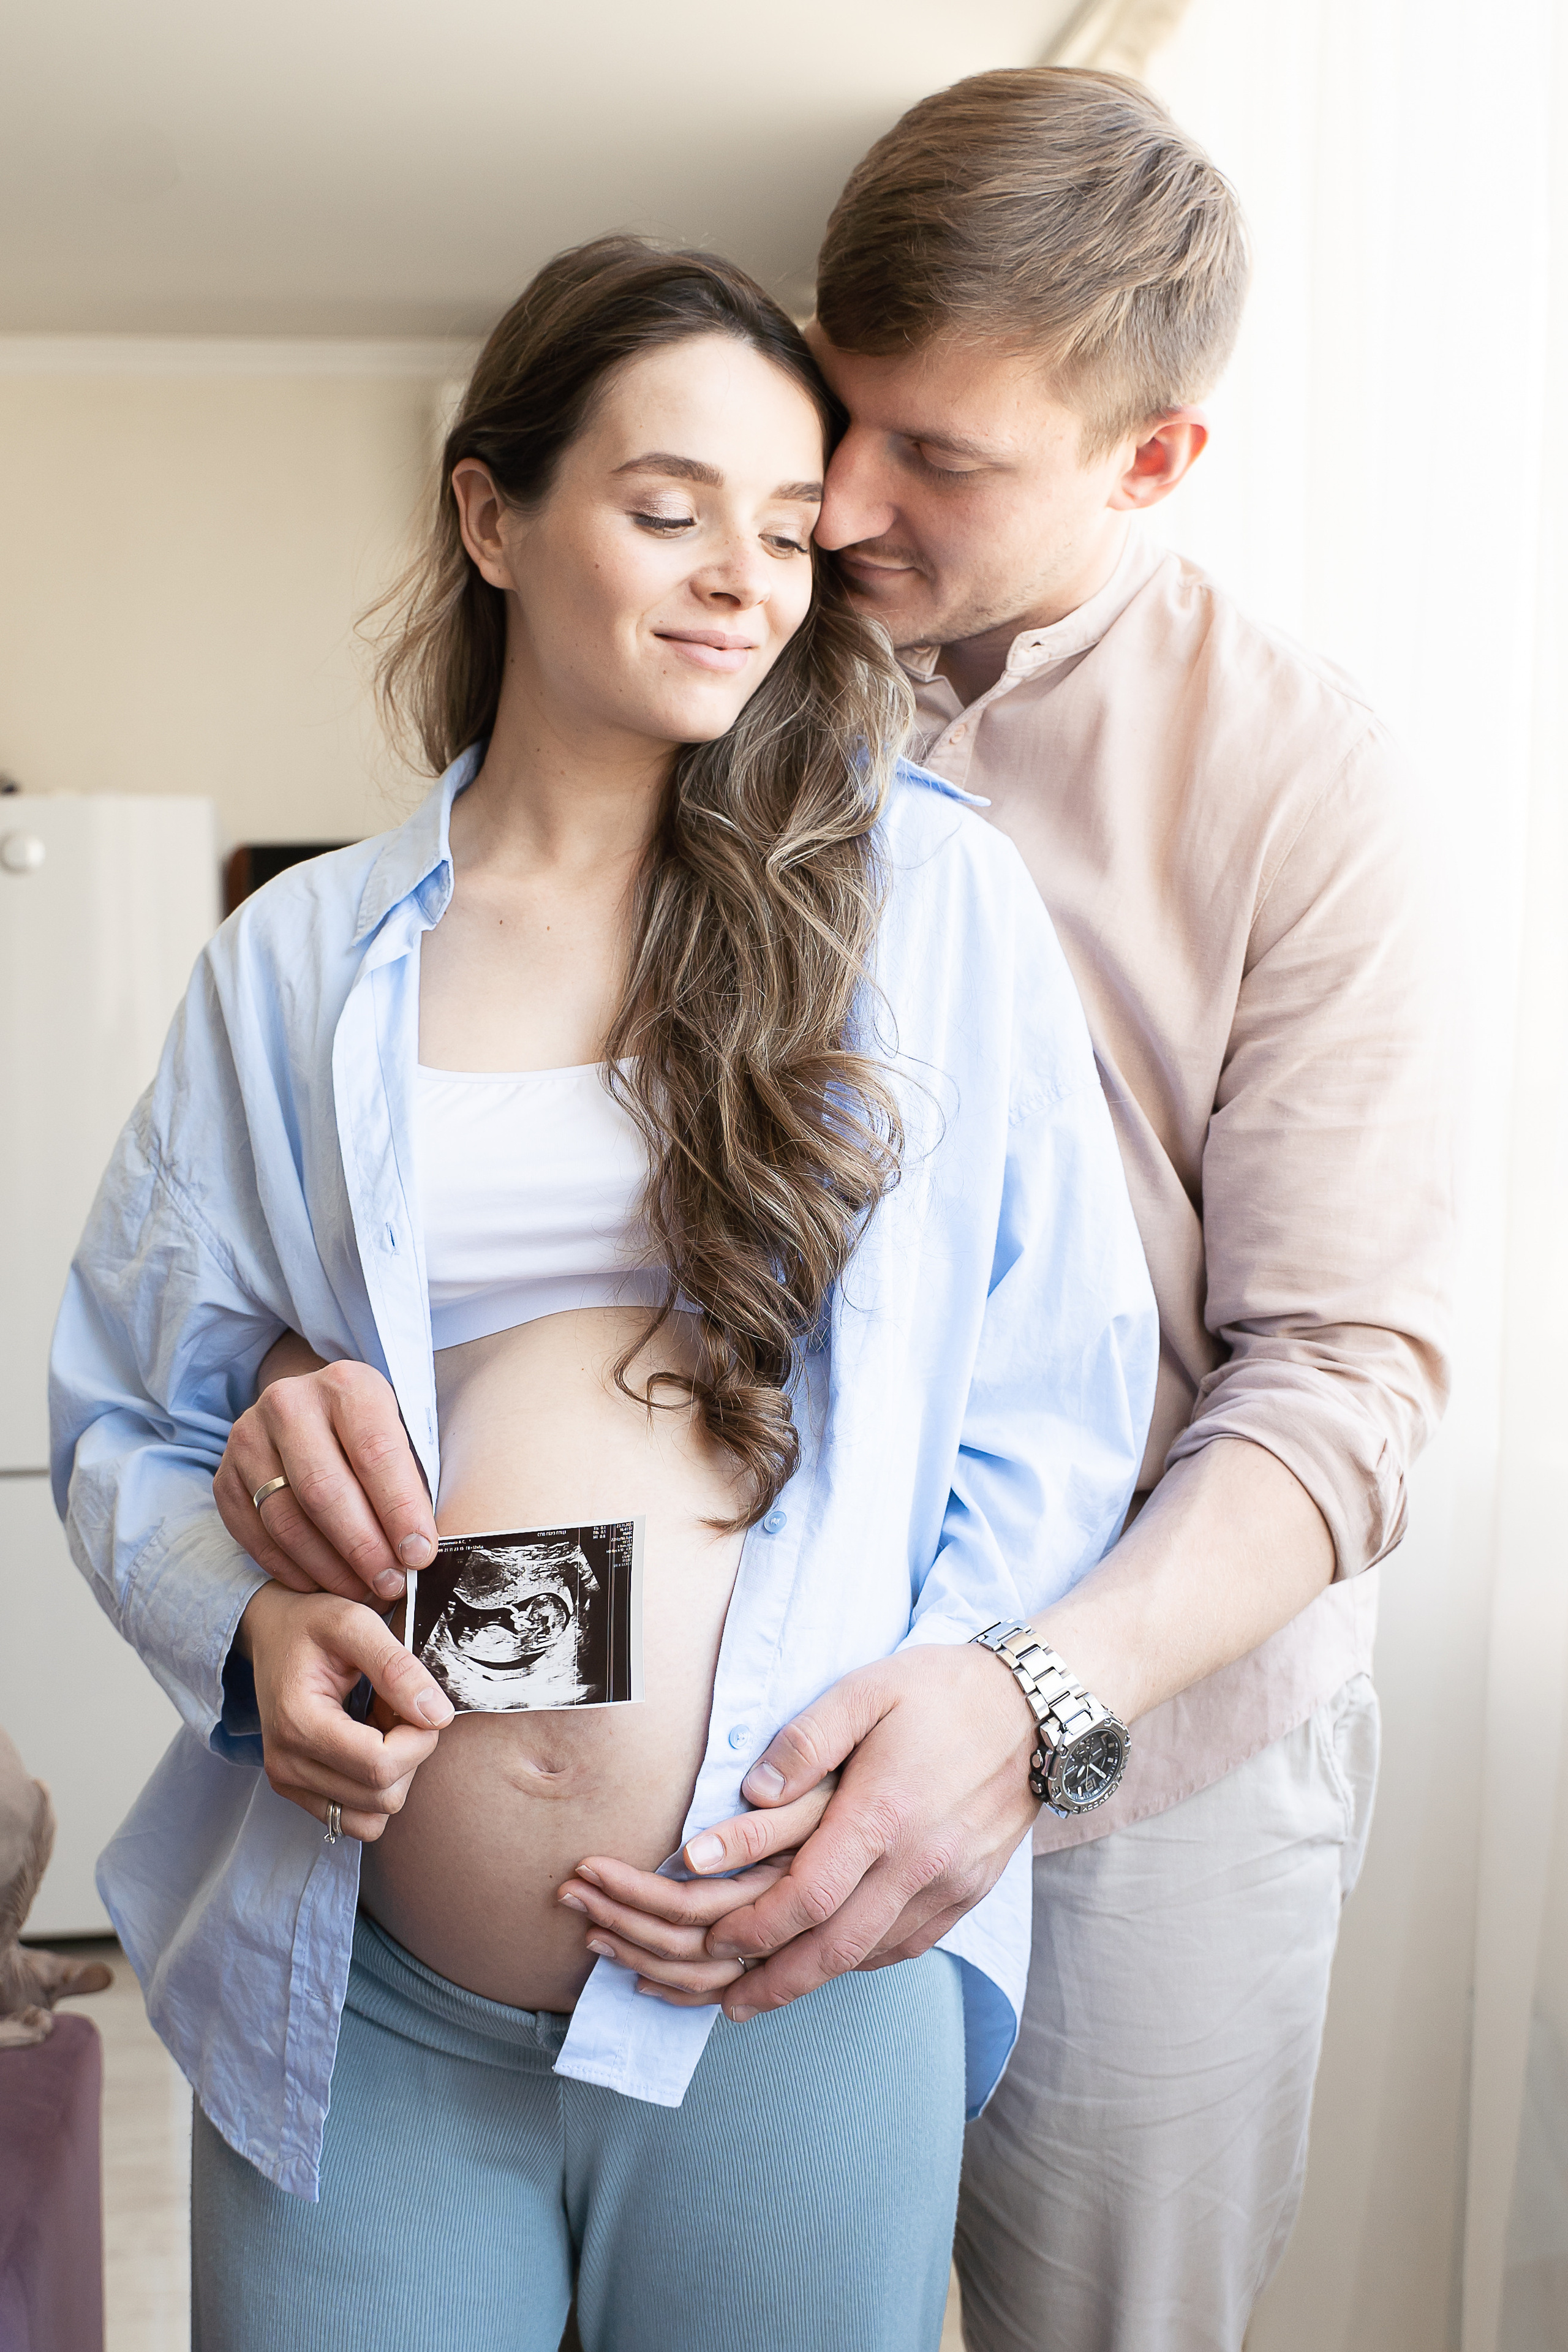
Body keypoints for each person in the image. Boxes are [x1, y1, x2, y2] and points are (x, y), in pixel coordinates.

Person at [226, 71, 1452, 2352]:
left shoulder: (1302, 778)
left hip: (1138, 1737)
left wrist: (1022, 1699)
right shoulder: (717, 664)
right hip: (707, 1787)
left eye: (938, 464)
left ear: (1150, 462)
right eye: (834, 432)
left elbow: (1348, 1377)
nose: (842, 515)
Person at [50, 236, 1157, 2352]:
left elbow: (1056, 1400)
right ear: (493, 516)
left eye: (782, 530)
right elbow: (126, 1416)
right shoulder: (296, 964)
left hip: (788, 1966)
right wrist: (253, 1622)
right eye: (666, 511)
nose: (741, 576)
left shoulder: (927, 909)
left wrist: (964, 1727)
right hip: (372, 1977)